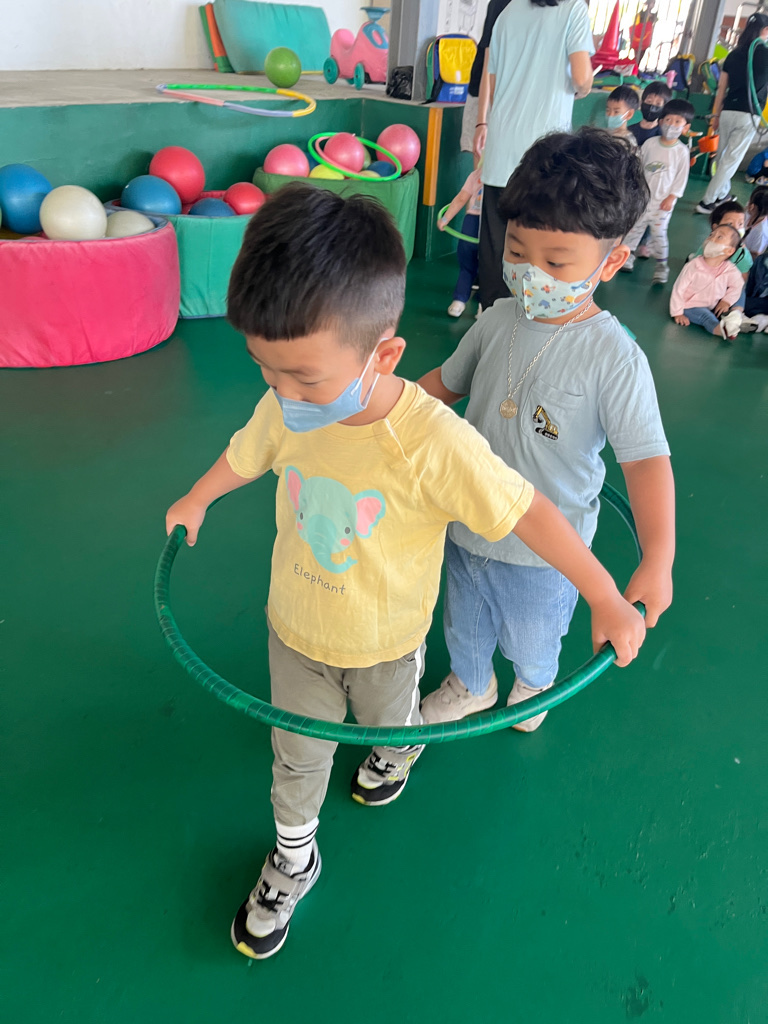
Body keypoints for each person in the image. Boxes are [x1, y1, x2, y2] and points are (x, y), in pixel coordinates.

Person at [165, 184, 646, 958]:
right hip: (295, 630)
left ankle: (399, 744)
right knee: (297, 757)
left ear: (382, 355)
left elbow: (527, 510)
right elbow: (248, 451)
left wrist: (603, 594)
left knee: (387, 722)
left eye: (304, 378)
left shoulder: (430, 442)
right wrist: (199, 495)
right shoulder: (286, 403)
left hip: (387, 642)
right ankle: (294, 855)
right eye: (264, 370)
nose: (282, 394)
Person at [417, 129, 672, 730]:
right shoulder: (495, 319)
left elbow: (645, 462)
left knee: (533, 636)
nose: (531, 273)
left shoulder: (614, 358)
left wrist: (658, 557)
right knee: (463, 623)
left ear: (611, 262)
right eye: (516, 250)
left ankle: (534, 686)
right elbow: (441, 388)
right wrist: (376, 407)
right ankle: (471, 683)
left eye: (556, 263)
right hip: (465, 522)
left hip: (547, 553)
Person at [473, 0, 595, 311]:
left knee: (496, 241)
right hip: (545, 153)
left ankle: (490, 315)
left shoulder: (507, 13)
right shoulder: (573, 10)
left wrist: (484, 121)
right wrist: (582, 88)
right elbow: (582, 78)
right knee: (540, 241)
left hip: (502, 146)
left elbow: (492, 83)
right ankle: (529, 319)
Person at [696, 12, 768, 215]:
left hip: (727, 111)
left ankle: (722, 195)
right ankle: (707, 202)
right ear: (765, 30)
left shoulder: (733, 55)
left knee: (721, 158)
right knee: (730, 161)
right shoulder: (765, 54)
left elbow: (721, 89)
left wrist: (716, 115)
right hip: (749, 114)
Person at [621, 98, 695, 285]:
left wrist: (672, 197)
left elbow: (681, 177)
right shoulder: (650, 144)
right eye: (668, 120)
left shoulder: (681, 151)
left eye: (678, 122)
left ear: (686, 127)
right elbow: (639, 166)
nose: (672, 125)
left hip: (662, 204)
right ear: (661, 122)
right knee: (633, 230)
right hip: (642, 200)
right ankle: (627, 256)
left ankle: (662, 266)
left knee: (659, 235)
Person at [670, 224, 745, 339]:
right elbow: (678, 289)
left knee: (741, 291)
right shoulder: (693, 266)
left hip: (713, 304)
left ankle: (736, 315)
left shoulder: (729, 269)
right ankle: (723, 330)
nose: (712, 238)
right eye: (711, 235)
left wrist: (726, 301)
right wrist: (677, 313)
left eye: (719, 237)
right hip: (690, 306)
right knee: (706, 317)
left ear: (729, 251)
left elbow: (737, 285)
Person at [460, 0, 512, 153]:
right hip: (484, 95)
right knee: (482, 159)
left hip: (508, 98)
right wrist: (481, 122)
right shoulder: (500, 4)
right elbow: (488, 67)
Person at [439, 166, 483, 317]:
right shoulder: (476, 175)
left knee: (483, 265)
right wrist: (445, 218)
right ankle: (462, 299)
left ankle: (480, 303)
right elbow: (462, 197)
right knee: (470, 261)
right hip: (475, 220)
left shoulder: (510, 175)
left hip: (489, 223)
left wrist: (446, 219)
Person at [628, 81, 673, 147]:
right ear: (641, 102)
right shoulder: (629, 131)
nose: (652, 107)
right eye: (649, 101)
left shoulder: (663, 136)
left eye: (658, 103)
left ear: (664, 108)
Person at [743, 185, 768, 257]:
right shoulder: (750, 211)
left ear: (752, 206)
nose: (748, 203)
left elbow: (755, 256)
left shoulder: (761, 233)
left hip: (744, 258)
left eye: (750, 201)